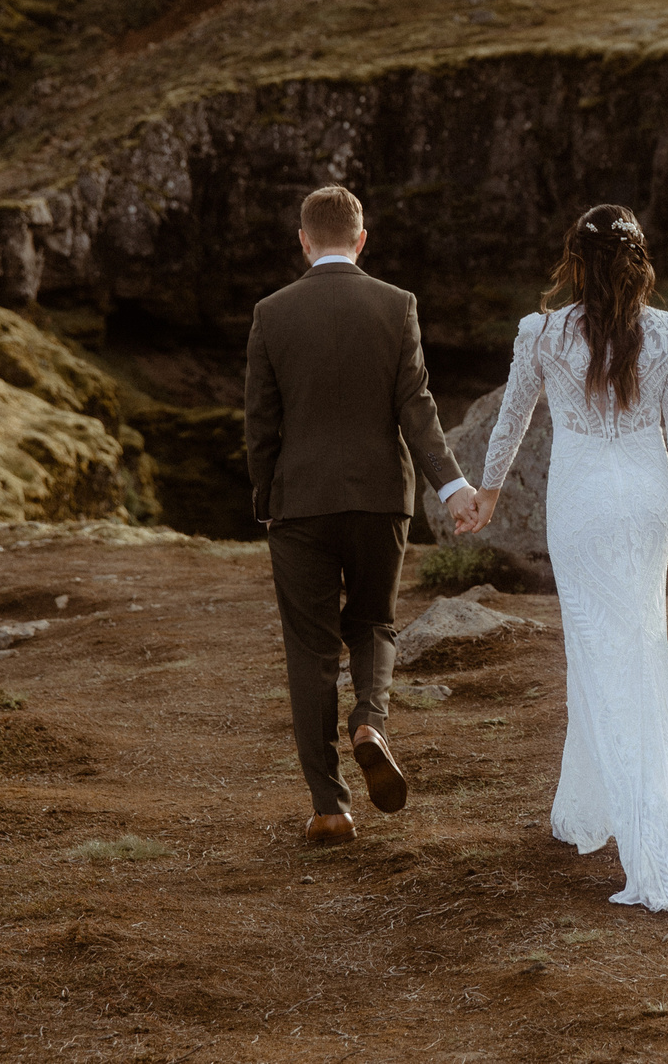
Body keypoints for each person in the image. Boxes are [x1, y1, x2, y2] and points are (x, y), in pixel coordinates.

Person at [452, 204, 668, 912]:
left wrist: (489, 494)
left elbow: (512, 419)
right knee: (636, 643)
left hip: (584, 498)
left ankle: (645, 829)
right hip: (648, 498)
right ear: (638, 263)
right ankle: (585, 807)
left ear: (575, 261)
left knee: (597, 649)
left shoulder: (542, 332)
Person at [245, 184, 471, 847]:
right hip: (380, 497)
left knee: (310, 649)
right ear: (362, 239)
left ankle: (329, 807)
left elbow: (261, 421)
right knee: (373, 622)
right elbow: (417, 409)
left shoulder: (271, 313)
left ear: (304, 239)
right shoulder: (396, 305)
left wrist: (267, 498)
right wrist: (451, 486)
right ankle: (369, 721)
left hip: (300, 503)